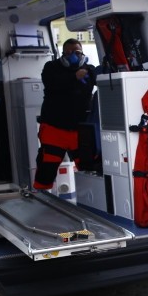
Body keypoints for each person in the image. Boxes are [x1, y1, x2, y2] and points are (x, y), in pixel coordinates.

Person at [33, 39, 97, 190]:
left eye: (77, 52)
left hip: (80, 129)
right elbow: (52, 83)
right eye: (68, 53)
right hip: (54, 128)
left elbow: (101, 79)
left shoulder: (89, 70)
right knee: (47, 167)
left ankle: (90, 198)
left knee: (89, 167)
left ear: (82, 54)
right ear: (62, 55)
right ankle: (42, 194)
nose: (73, 56)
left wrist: (90, 73)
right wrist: (75, 77)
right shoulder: (51, 67)